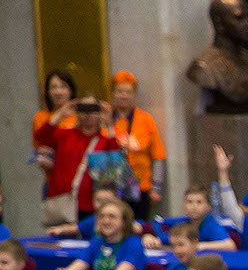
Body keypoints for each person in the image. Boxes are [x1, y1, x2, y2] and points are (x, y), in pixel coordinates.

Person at [34, 97, 116, 225]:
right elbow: (41, 137)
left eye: (93, 110)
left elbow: (115, 160)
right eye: (83, 109)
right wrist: (61, 114)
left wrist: (109, 123)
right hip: (62, 201)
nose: (87, 114)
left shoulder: (104, 141)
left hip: (90, 205)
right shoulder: (65, 135)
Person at [107, 72, 164, 219]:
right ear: (113, 93)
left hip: (140, 187)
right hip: (110, 187)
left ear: (134, 94)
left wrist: (156, 188)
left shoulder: (145, 119)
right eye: (120, 91)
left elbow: (158, 155)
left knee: (139, 227)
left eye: (128, 92)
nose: (124, 95)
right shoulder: (106, 119)